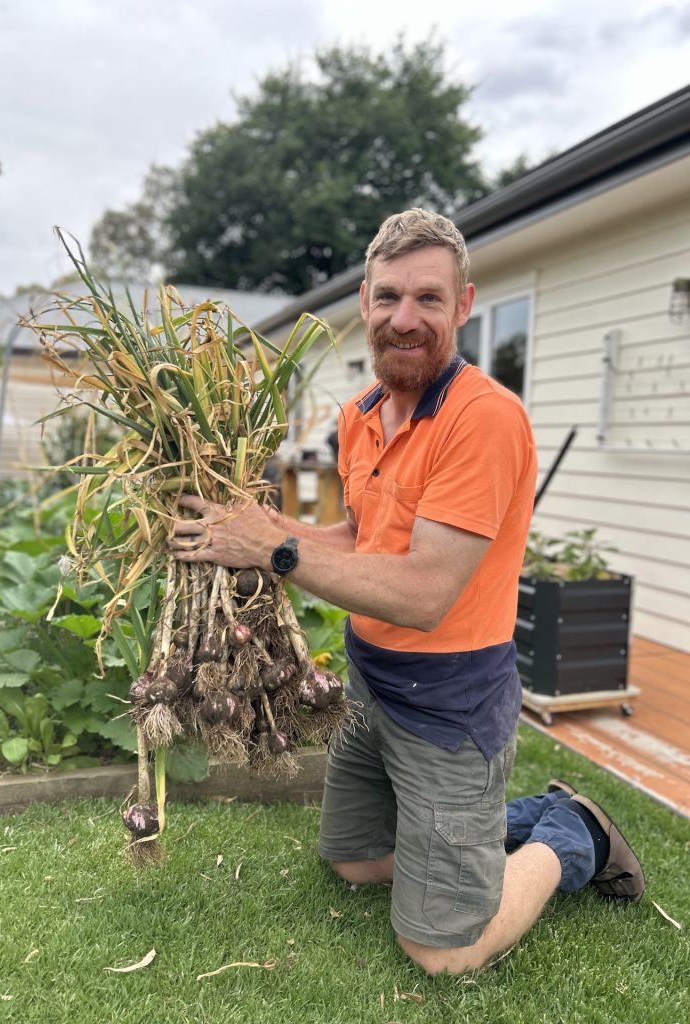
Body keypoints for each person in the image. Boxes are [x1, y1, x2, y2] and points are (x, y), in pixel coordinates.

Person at [168, 208, 644, 975]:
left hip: (450, 700)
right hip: (373, 682)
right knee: (355, 862)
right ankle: (493, 823)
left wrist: (276, 548)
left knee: (439, 950)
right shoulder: (360, 417)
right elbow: (361, 544)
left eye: (429, 298)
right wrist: (248, 534)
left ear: (464, 305)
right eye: (389, 296)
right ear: (364, 303)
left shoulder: (482, 420)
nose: (405, 317)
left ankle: (575, 834)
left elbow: (425, 592)